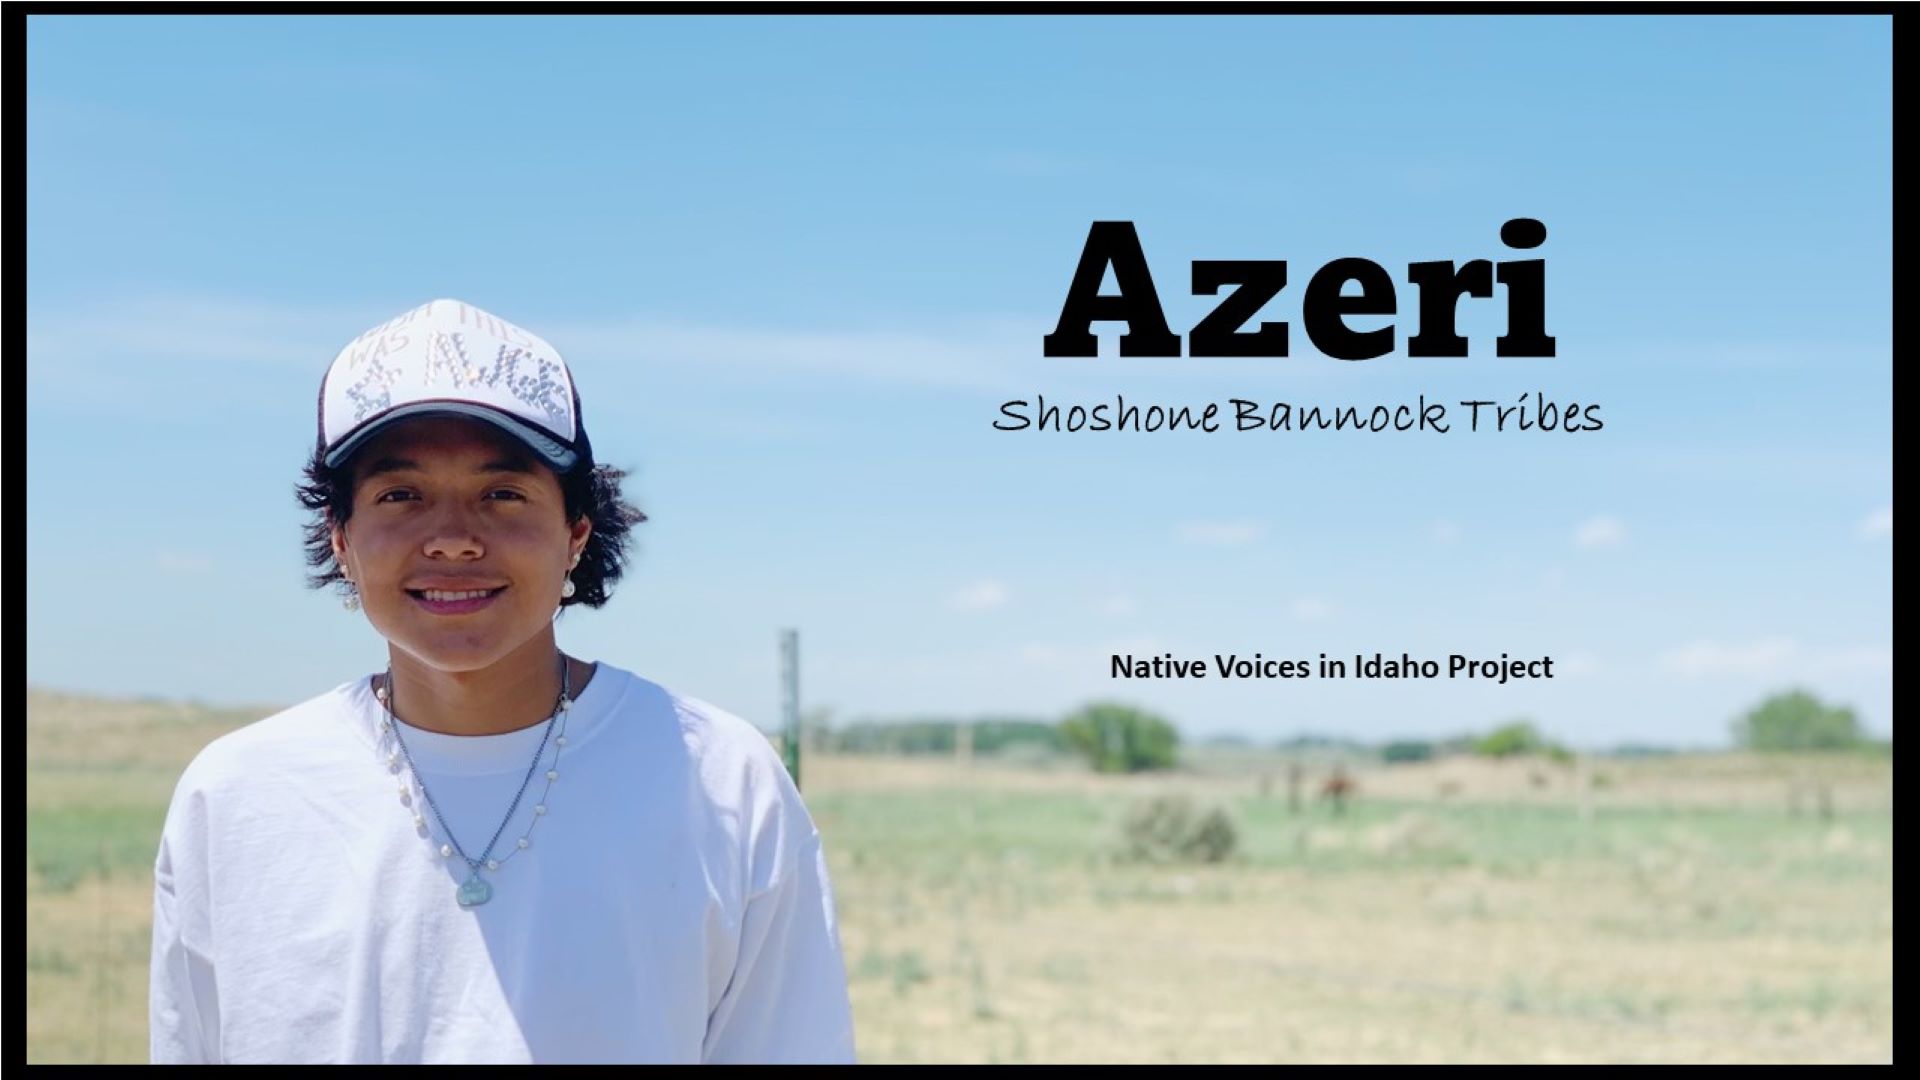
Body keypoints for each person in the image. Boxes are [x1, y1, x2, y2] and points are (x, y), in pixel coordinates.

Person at [148, 298, 857, 1064]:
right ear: (343, 540)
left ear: (575, 533)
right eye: (401, 495)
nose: (453, 539)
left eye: (503, 494)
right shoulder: (238, 796)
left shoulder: (721, 779)